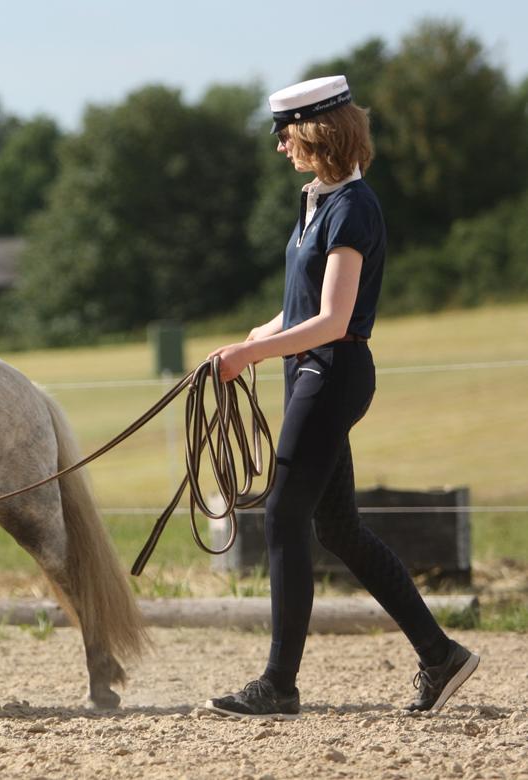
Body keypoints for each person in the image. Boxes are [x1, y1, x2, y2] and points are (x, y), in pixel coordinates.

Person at [203, 75, 479, 719]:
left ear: (315, 133)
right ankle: (440, 657)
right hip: (311, 372)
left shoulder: (352, 208)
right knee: (337, 527)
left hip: (331, 372)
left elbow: (333, 319)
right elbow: (300, 306)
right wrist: (252, 338)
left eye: (285, 134)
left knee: (281, 514)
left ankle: (279, 683)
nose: (280, 147)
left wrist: (252, 355)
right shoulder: (317, 202)